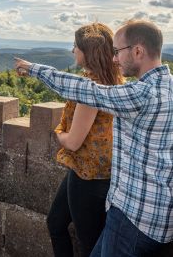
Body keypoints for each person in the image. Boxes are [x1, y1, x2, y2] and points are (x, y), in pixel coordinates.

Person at [15, 19, 173, 257]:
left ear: (138, 51)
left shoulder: (142, 95)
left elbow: (84, 90)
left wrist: (33, 69)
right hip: (158, 214)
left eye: (118, 51)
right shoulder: (167, 87)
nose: (114, 58)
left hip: (134, 216)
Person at [45, 22, 123, 257]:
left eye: (75, 46)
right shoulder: (114, 81)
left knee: (89, 241)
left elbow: (73, 142)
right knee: (56, 223)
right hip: (87, 170)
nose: (72, 51)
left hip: (89, 178)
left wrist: (58, 131)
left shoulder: (91, 89)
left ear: (88, 53)